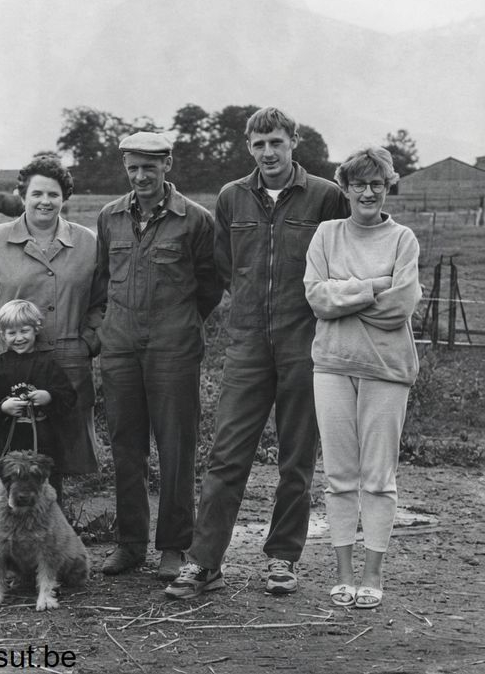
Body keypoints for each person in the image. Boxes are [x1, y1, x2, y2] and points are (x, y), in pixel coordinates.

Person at [166, 107, 350, 600]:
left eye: (277, 142)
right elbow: (226, 267)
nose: (269, 152)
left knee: (297, 457)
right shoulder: (232, 196)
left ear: (294, 142)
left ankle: (282, 559)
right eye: (259, 144)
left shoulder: (325, 196)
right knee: (227, 454)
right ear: (249, 147)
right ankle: (205, 563)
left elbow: (339, 261)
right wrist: (250, 309)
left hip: (304, 341)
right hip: (247, 343)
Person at [94, 132, 222, 580]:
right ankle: (130, 544)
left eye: (150, 166)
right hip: (120, 348)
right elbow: (101, 279)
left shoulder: (196, 219)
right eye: (133, 167)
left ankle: (173, 547)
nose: (141, 176)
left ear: (167, 164)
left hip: (174, 347)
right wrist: (111, 329)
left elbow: (210, 284)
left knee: (175, 447)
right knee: (126, 446)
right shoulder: (109, 217)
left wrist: (179, 321)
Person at [303, 147, 421, 609]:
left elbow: (400, 308)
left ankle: (373, 574)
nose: (367, 192)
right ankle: (344, 574)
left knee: (378, 476)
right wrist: (374, 285)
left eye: (377, 184)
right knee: (339, 475)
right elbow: (316, 298)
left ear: (388, 186)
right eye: (358, 184)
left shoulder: (403, 239)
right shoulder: (327, 234)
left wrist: (344, 295)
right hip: (332, 364)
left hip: (387, 370)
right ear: (345, 188)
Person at [0, 154, 105, 504]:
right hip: (11, 366)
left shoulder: (87, 242)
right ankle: (3, 524)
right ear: (21, 196)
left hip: (67, 365)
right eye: (37, 193)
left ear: (64, 198)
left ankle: (56, 526)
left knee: (59, 454)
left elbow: (104, 302)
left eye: (53, 194)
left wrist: (88, 342)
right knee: (11, 451)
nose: (45, 201)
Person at [0, 299, 77, 466]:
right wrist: (2, 407)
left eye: (24, 331)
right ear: (3, 335)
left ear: (36, 330)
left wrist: (49, 397)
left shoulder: (48, 365)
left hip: (45, 441)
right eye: (12, 333)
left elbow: (68, 395)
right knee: (9, 476)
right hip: (6, 440)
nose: (19, 338)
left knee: (44, 476)